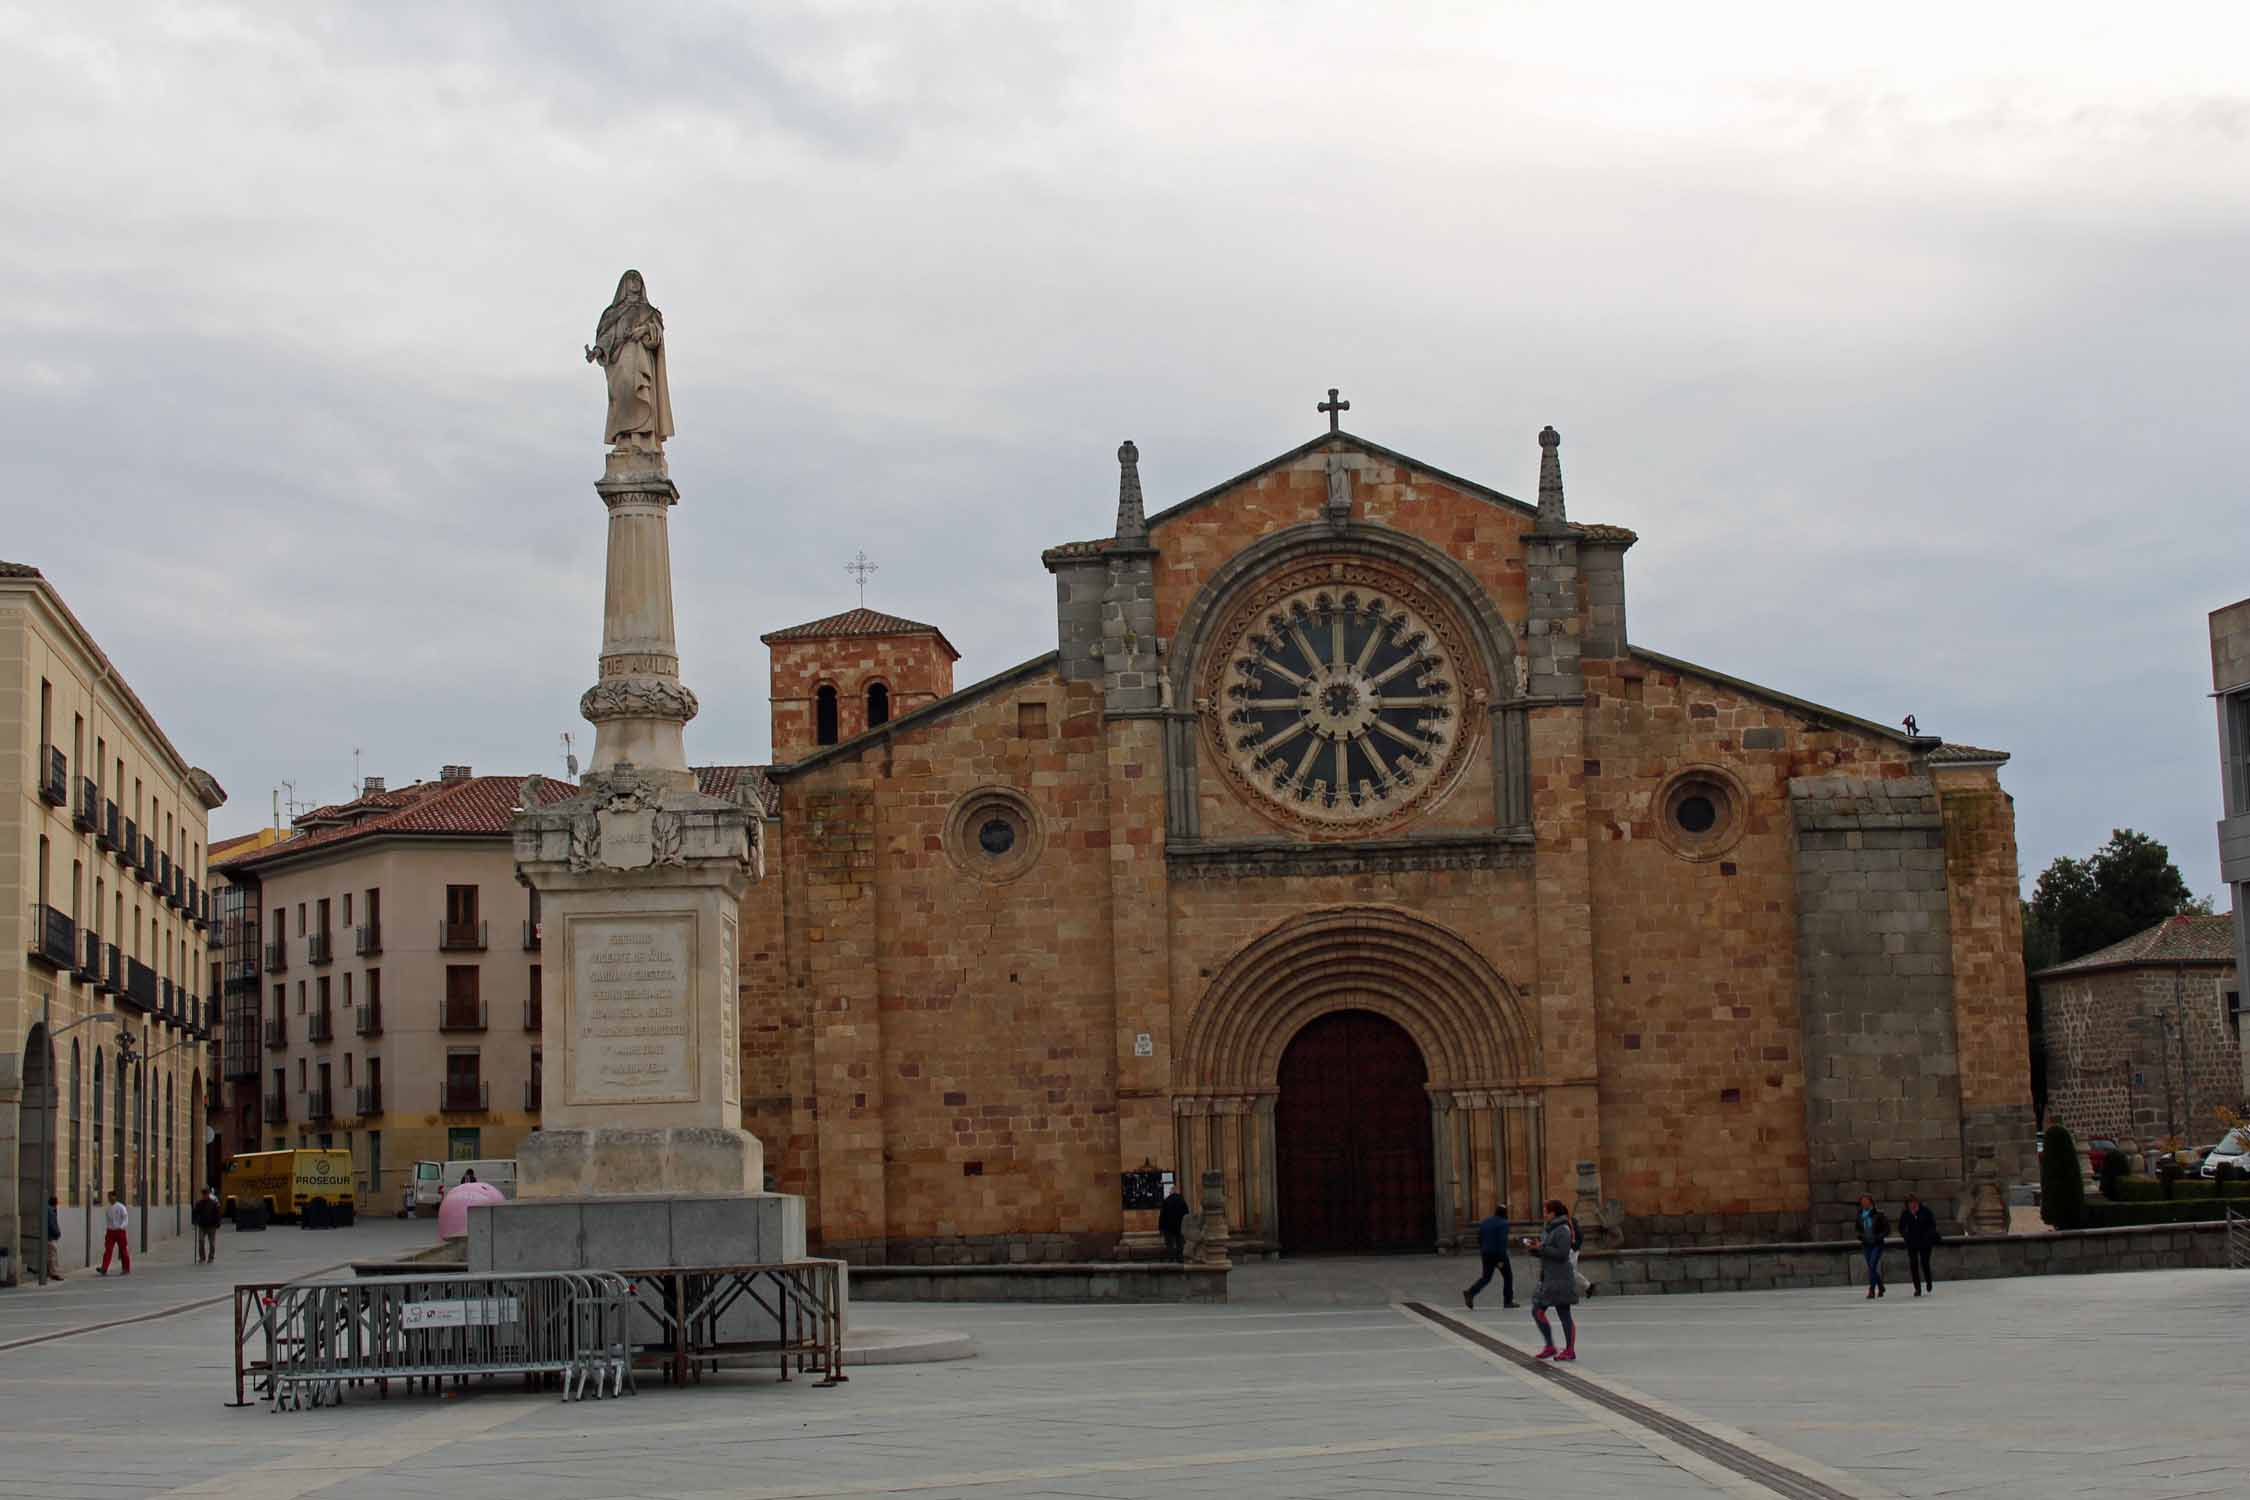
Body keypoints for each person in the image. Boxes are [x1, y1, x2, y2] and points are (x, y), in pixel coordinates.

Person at [1523, 1199, 1579, 1361]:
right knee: (1537, 1310)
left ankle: (1569, 1350)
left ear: (1554, 1213)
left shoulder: (1562, 1229)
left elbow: (1561, 1254)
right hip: (1548, 1278)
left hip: (1560, 1278)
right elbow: (1546, 1250)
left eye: (1546, 1211)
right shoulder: (1549, 1229)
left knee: (1564, 1313)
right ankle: (1550, 1346)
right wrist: (1534, 1249)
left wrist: (1541, 1248)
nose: (1544, 1214)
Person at [1462, 1203, 1516, 1309]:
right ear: (1505, 1213)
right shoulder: (1503, 1223)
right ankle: (1508, 1301)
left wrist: (1484, 1248)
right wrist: (1501, 1259)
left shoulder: (1485, 1221)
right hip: (1498, 1254)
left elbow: (1479, 1238)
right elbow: (1502, 1242)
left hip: (1486, 1253)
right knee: (1508, 1277)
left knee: (1486, 1277)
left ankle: (1471, 1292)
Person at [1900, 1194, 1940, 1296]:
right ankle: (1917, 1288)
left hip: (1925, 1242)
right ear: (1907, 1204)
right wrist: (1906, 1236)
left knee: (1924, 1262)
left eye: (1914, 1202)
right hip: (1912, 1243)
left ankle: (1928, 1281)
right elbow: (1901, 1227)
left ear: (1917, 1202)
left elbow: (1932, 1225)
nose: (1912, 1205)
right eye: (1910, 1203)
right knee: (1913, 1264)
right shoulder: (1905, 1213)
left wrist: (1928, 1235)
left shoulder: (1925, 1211)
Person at [1855, 1193, 1889, 1299]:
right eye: (1862, 1202)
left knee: (1872, 1265)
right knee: (1871, 1267)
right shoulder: (1860, 1215)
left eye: (1866, 1201)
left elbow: (1887, 1229)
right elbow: (1857, 1229)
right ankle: (1880, 1286)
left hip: (1877, 1244)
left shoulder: (1879, 1214)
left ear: (1870, 1202)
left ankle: (1871, 1290)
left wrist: (1879, 1237)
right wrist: (1860, 1236)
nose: (1864, 1203)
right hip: (1866, 1244)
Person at [97, 1192, 130, 1276]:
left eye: (112, 1196)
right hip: (111, 1232)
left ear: (115, 1197)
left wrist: (122, 1227)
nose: (110, 1198)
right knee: (108, 1249)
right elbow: (108, 1221)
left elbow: (125, 1218)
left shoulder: (121, 1207)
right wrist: (108, 1229)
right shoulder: (108, 1209)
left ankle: (126, 1268)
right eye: (109, 1197)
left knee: (123, 1250)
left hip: (120, 1231)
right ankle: (104, 1268)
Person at [1158, 1181, 1190, 1262]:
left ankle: (1171, 1258)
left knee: (1169, 1244)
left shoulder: (1166, 1201)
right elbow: (1186, 1214)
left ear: (1171, 1192)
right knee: (1180, 1243)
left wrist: (1160, 1227)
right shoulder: (1182, 1201)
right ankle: (1180, 1258)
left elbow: (1162, 1215)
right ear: (1177, 1192)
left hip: (1168, 1227)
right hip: (1179, 1226)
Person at [193, 1187, 224, 1265]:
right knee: (201, 1241)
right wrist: (195, 1220)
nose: (205, 1196)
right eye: (203, 1194)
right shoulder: (199, 1203)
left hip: (212, 1226)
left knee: (212, 1243)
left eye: (206, 1194)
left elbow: (218, 1214)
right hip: (202, 1225)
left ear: (208, 1194)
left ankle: (211, 1258)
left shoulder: (214, 1203)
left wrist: (218, 1223)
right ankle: (202, 1258)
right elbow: (195, 1213)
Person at [45, 1196, 64, 1280]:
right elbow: (52, 1224)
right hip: (50, 1237)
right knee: (53, 1255)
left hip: (48, 1236)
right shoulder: (51, 1211)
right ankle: (54, 1273)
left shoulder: (48, 1210)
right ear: (55, 1203)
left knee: (50, 1255)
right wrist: (57, 1233)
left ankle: (50, 1272)